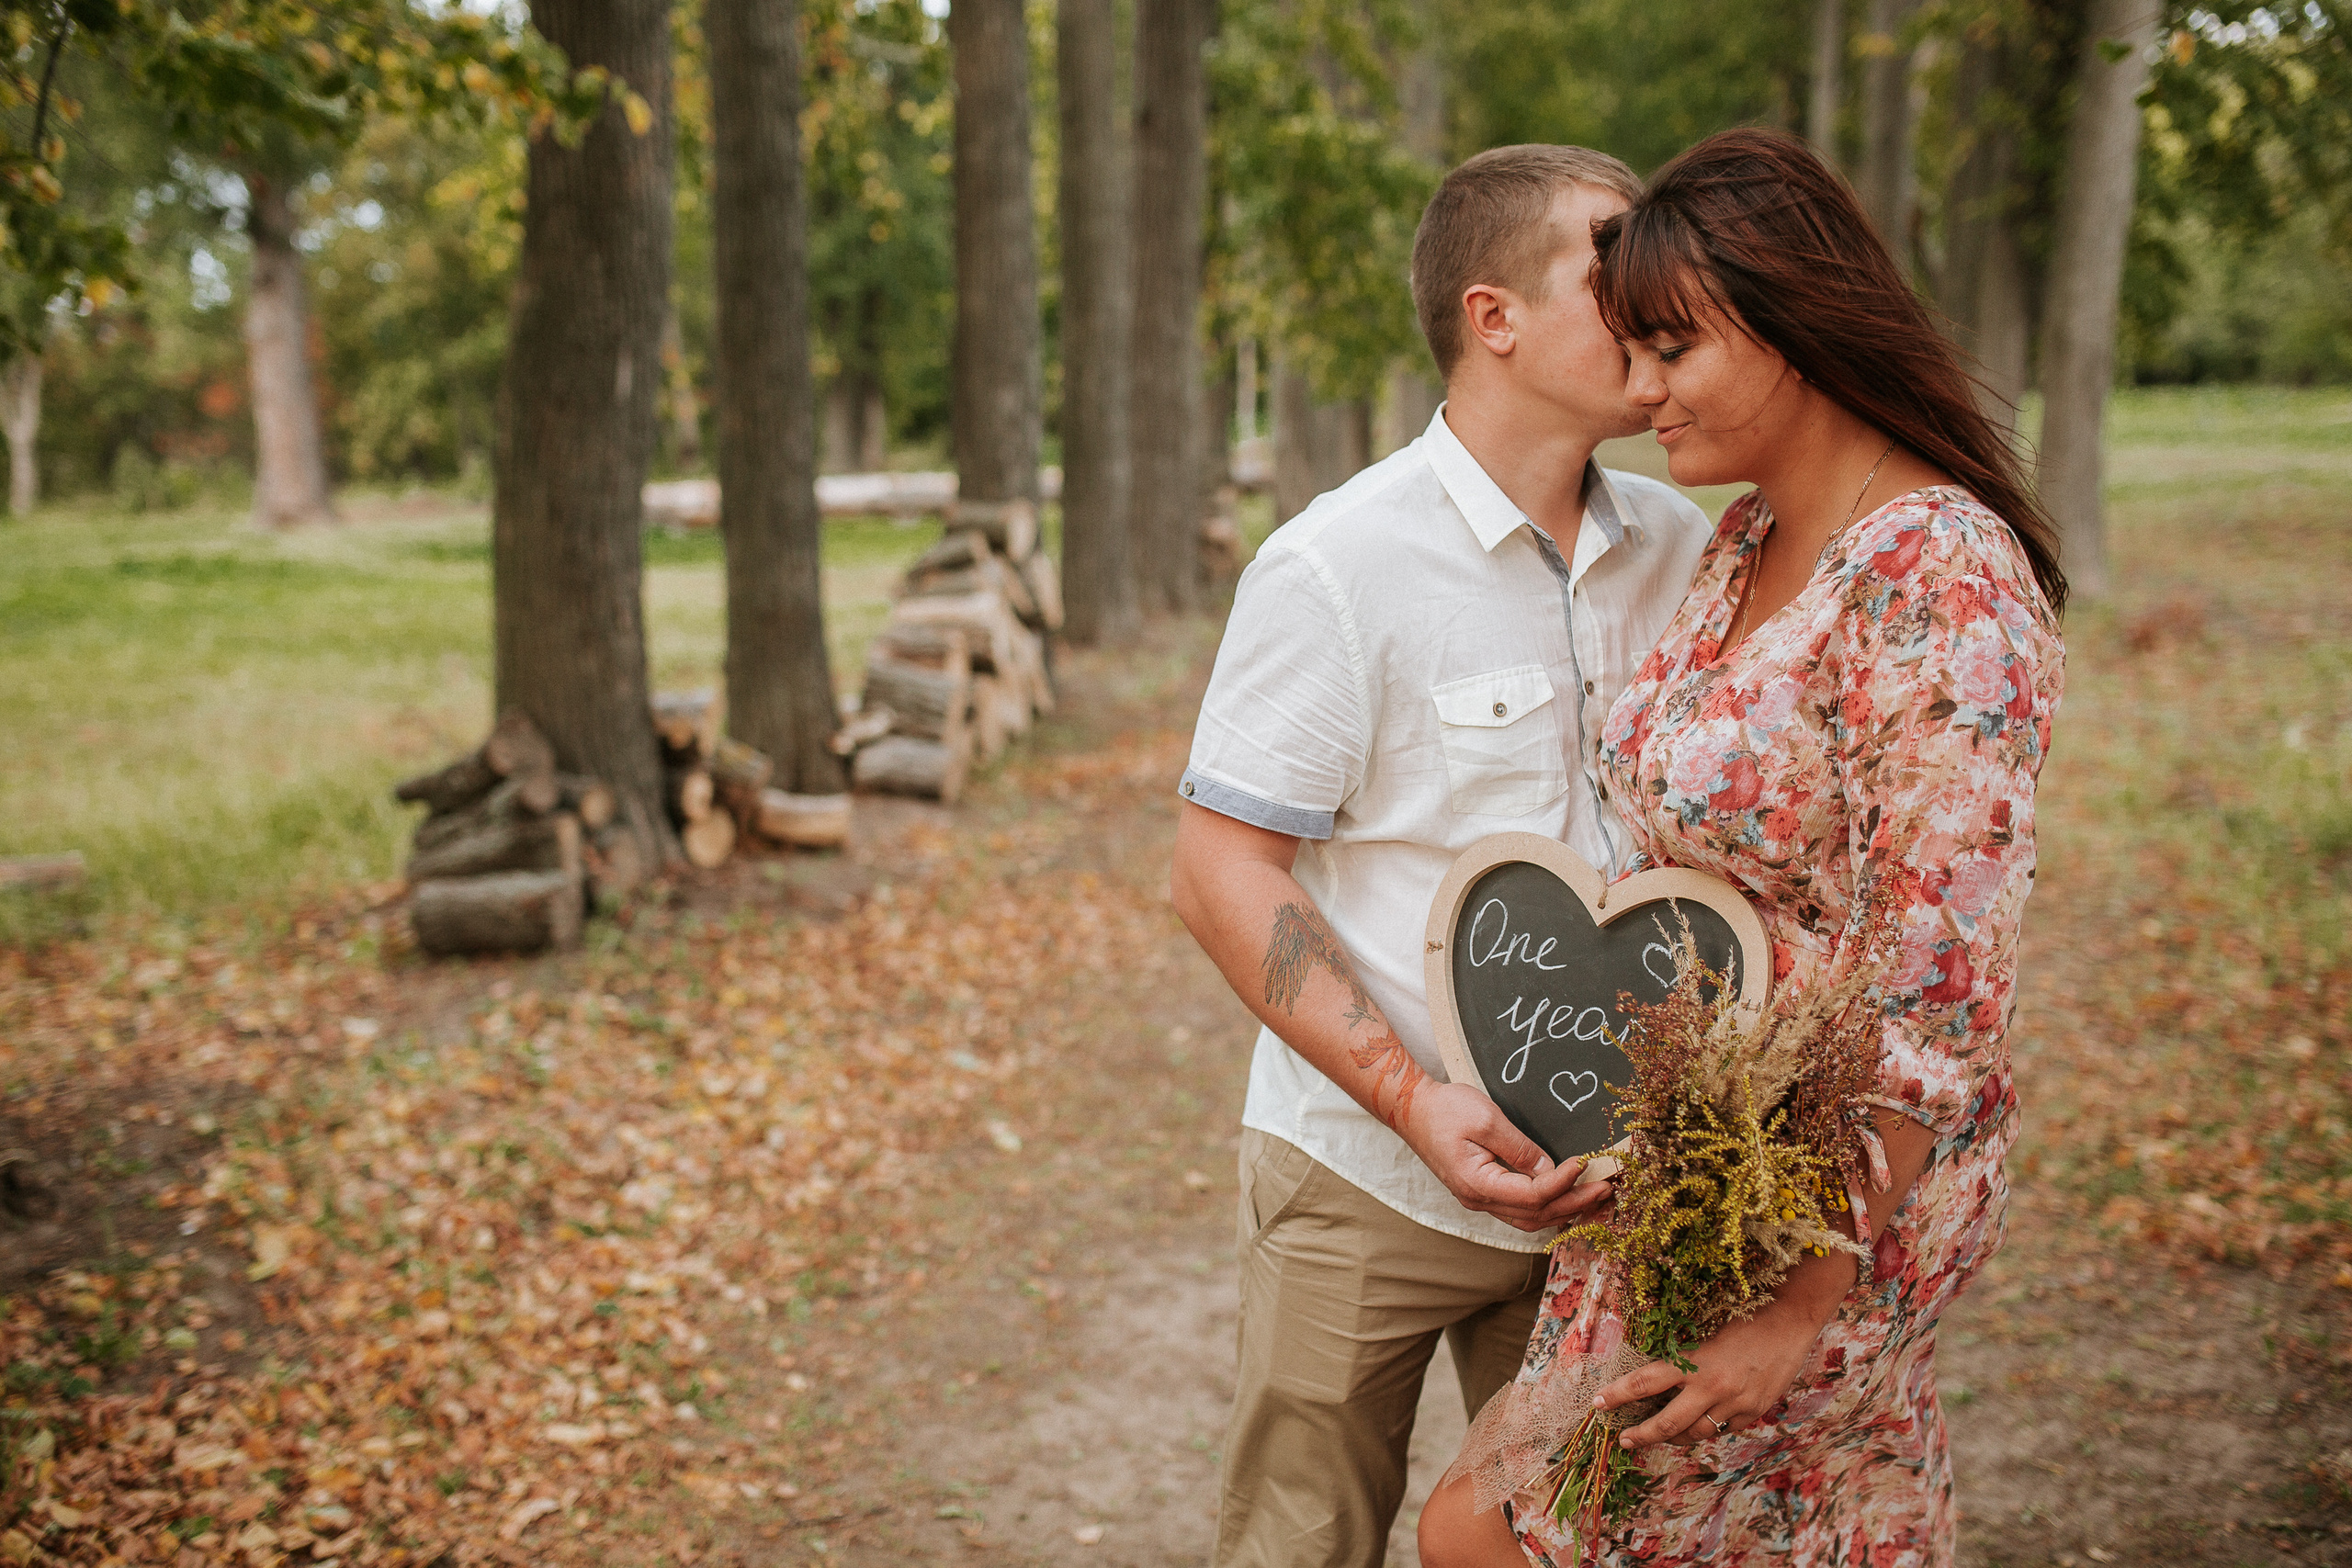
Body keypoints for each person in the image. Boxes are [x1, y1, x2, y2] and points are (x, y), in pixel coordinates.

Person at [1418, 127, 2067, 1567]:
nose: (1639, 396)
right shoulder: (1745, 541)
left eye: (1670, 350)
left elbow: (1940, 990)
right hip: (1685, 1176)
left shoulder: (1942, 576)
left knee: (1499, 1534)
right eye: (1629, 350)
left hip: (1822, 1202)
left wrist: (1797, 1304)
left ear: (1789, 322)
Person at [1169, 144, 1713, 1568]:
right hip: (1367, 1176)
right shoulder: (1334, 568)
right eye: (1615, 265)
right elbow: (1220, 869)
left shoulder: (1687, 544)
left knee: (1579, 1547)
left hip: (1616, 1196)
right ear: (1495, 318)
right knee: (1302, 1544)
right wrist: (1415, 1101)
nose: (1660, 295)